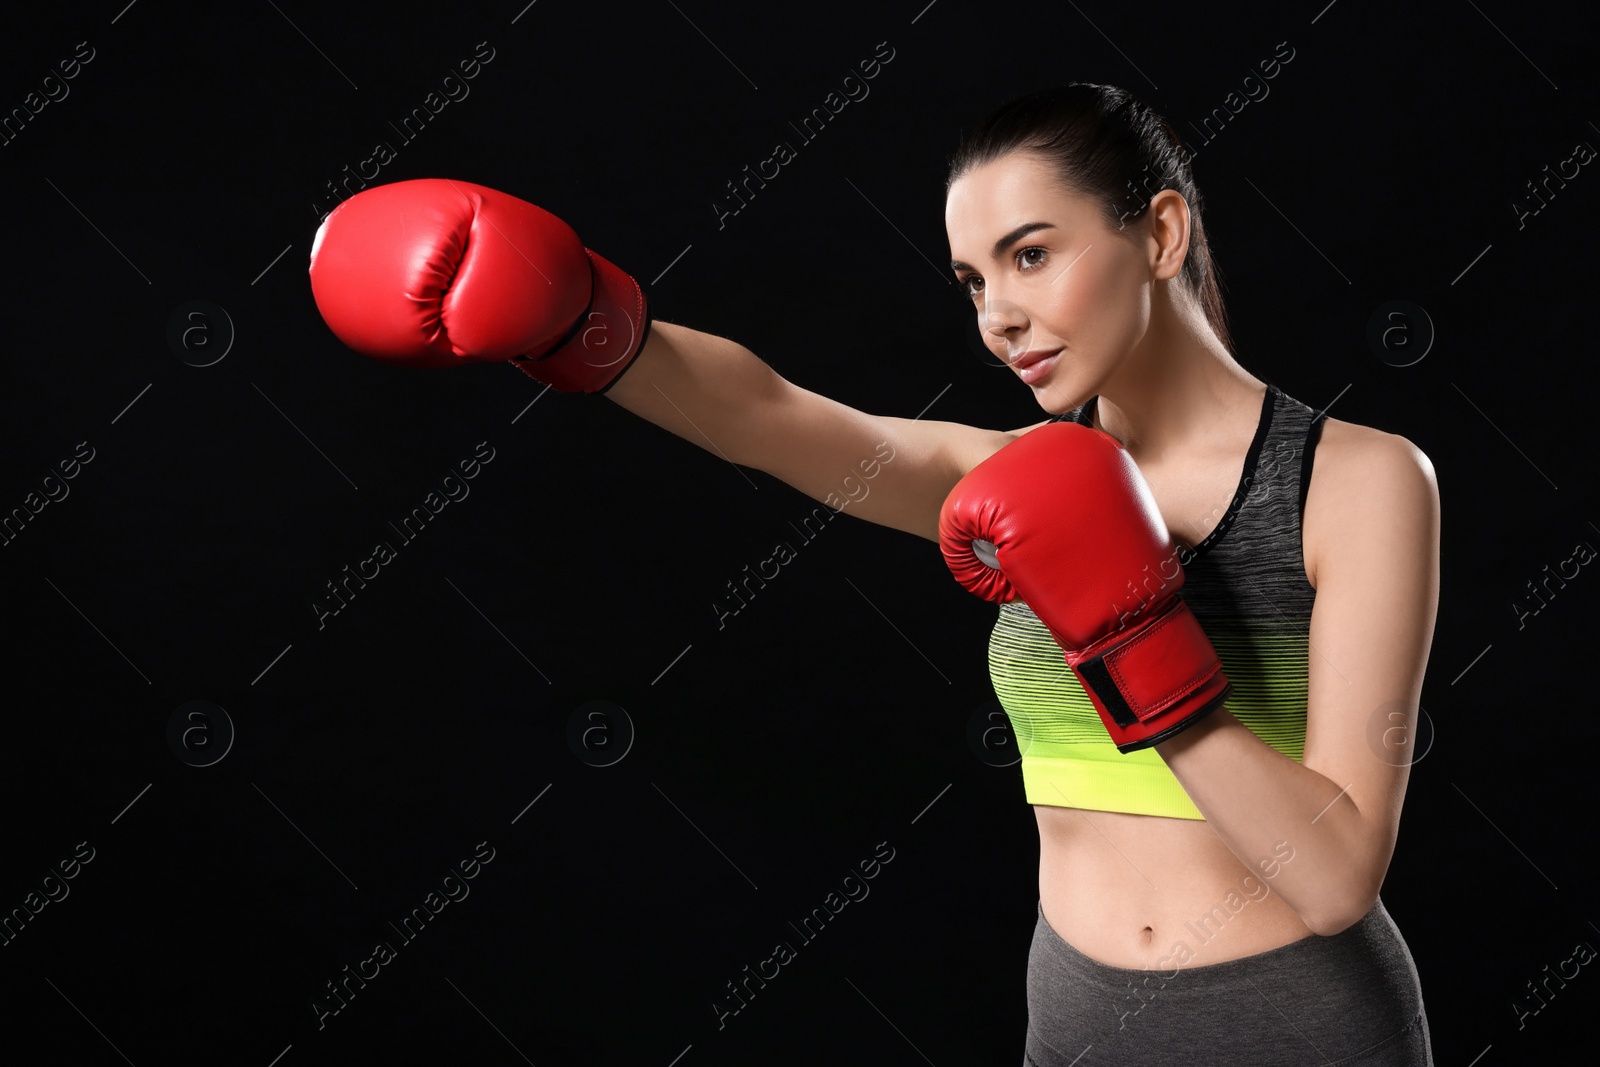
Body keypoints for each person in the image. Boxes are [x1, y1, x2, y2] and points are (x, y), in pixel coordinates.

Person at [308, 82, 1439, 1066]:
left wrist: (1136, 642)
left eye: (1030, 254)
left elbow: (1337, 873)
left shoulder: (1357, 481)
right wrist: (573, 318)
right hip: (1079, 1019)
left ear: (1159, 231)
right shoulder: (1009, 475)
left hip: (1301, 1030)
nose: (998, 316)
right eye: (970, 279)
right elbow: (770, 417)